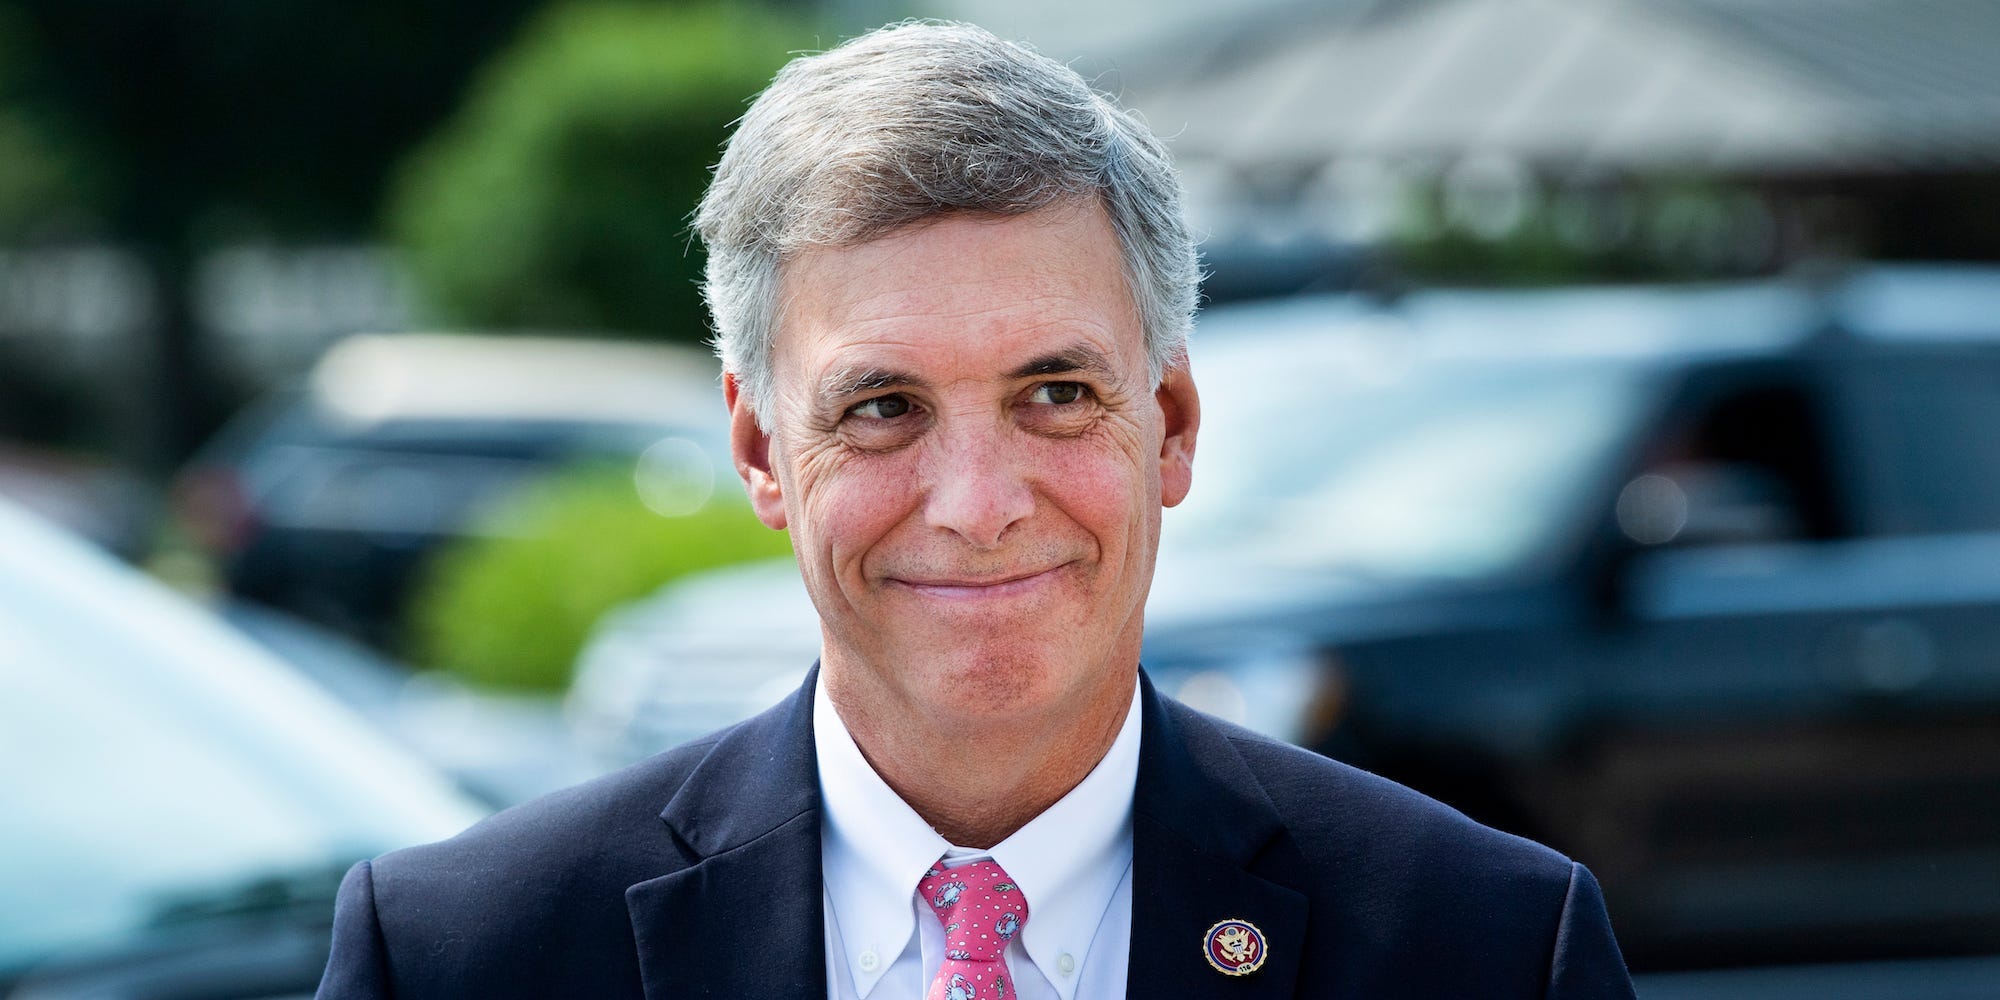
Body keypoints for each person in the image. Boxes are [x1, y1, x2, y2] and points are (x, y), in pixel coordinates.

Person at [317, 20, 1636, 1000]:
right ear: (761, 451)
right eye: (882, 408)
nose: (979, 503)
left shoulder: (1490, 951)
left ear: (1170, 425)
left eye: (1056, 393)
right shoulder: (462, 958)